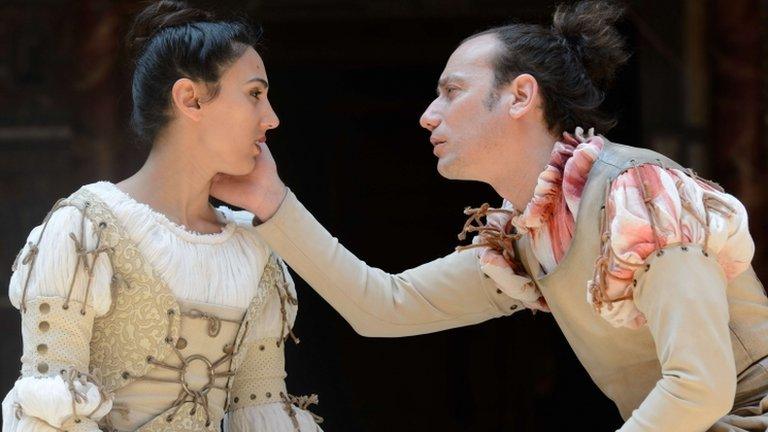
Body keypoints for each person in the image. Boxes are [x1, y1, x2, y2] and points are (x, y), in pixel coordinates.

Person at [211, 1, 768, 430]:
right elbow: (384, 307)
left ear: (521, 96)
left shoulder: (638, 195)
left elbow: (700, 384)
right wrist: (271, 201)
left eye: (451, 91)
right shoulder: (526, 233)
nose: (428, 117)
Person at [3, 1, 322, 431]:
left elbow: (261, 412)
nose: (272, 118)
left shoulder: (254, 250)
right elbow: (49, 411)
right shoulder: (87, 228)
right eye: (254, 94)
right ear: (190, 99)